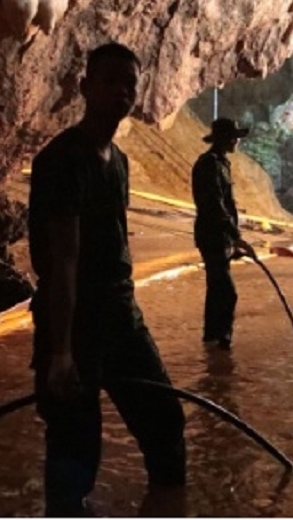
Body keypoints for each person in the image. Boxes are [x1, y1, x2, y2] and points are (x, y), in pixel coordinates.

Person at [27, 42, 186, 516]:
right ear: (85, 88)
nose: (121, 92)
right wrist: (60, 353)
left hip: (121, 315)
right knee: (75, 452)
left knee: (165, 423)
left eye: (130, 85)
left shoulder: (118, 161)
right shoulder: (62, 159)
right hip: (75, 322)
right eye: (110, 81)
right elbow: (63, 260)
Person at [191, 118, 255, 350]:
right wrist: (236, 236)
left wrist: (232, 240)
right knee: (227, 293)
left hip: (220, 236)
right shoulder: (209, 164)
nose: (237, 140)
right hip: (212, 235)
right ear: (226, 139)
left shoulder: (221, 163)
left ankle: (211, 339)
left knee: (217, 287)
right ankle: (223, 341)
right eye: (235, 136)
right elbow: (215, 205)